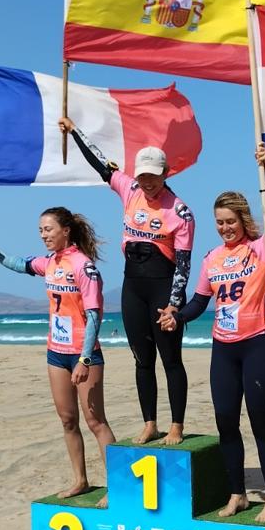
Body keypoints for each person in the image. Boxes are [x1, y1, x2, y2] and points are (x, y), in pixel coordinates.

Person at [159, 142, 265, 523]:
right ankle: (237, 493)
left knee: (261, 422)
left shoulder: (262, 247)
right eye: (219, 222)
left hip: (259, 344)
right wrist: (177, 316)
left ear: (243, 219)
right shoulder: (211, 259)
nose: (224, 228)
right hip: (224, 347)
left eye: (230, 221)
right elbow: (200, 303)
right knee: (225, 421)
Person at [58, 116, 194, 446]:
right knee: (142, 359)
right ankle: (150, 423)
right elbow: (100, 163)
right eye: (143, 175)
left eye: (154, 176)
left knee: (171, 360)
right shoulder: (129, 189)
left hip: (162, 289)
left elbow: (184, 265)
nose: (147, 182)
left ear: (165, 174)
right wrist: (75, 130)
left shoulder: (180, 211)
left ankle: (176, 424)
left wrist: (174, 305)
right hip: (132, 287)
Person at [0, 207, 116, 505]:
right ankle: (80, 480)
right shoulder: (50, 263)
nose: (43, 235)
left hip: (83, 355)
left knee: (95, 421)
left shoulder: (83, 266)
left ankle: (117, 487)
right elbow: (20, 264)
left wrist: (85, 358)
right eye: (40, 230)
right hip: (56, 353)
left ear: (66, 230)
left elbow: (94, 315)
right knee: (67, 420)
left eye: (48, 229)